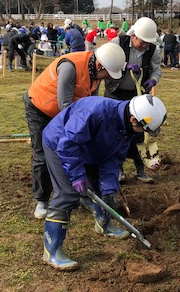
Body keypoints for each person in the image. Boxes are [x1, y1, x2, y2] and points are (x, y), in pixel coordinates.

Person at [41, 94, 167, 270]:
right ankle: (52, 251)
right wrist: (77, 175)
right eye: (144, 129)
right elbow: (67, 144)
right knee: (68, 194)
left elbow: (113, 159)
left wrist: (108, 189)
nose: (144, 133)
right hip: (59, 144)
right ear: (133, 119)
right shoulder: (95, 112)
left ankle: (104, 225)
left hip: (89, 149)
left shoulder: (127, 129)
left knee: (105, 190)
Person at [24, 42, 127, 219]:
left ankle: (82, 194)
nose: (107, 78)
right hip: (41, 109)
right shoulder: (70, 67)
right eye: (107, 74)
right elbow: (65, 106)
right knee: (42, 154)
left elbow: (91, 103)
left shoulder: (95, 74)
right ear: (100, 65)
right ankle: (42, 200)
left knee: (81, 148)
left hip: (65, 113)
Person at [106, 17, 162, 183]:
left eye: (148, 42)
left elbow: (157, 69)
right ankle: (118, 169)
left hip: (137, 96)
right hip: (114, 93)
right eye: (143, 41)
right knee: (115, 132)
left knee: (139, 131)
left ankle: (140, 170)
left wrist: (153, 79)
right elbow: (106, 62)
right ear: (134, 35)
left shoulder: (152, 50)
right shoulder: (118, 42)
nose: (146, 45)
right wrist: (124, 66)